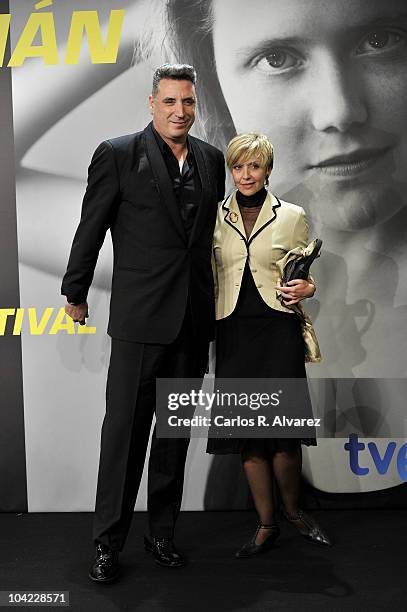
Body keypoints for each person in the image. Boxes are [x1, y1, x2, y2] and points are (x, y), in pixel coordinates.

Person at [163, 0, 407, 499]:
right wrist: (169, 13)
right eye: (276, 58)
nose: (339, 110)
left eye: (380, 39)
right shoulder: (209, 236)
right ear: (214, 84)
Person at [61, 63, 225, 582]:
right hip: (139, 320)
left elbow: (209, 244)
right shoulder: (117, 154)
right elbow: (91, 227)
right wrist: (75, 291)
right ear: (152, 104)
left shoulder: (212, 160)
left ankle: (161, 535)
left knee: (173, 439)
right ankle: (108, 543)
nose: (181, 112)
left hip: (192, 321)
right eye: (170, 102)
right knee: (124, 438)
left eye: (188, 103)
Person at [207, 132, 331, 556]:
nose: (245, 175)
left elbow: (304, 275)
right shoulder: (214, 215)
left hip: (278, 331)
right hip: (233, 332)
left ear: (268, 170)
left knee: (283, 434)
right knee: (248, 435)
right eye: (238, 167)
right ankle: (266, 523)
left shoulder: (292, 215)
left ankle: (295, 512)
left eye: (254, 166)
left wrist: (308, 288)